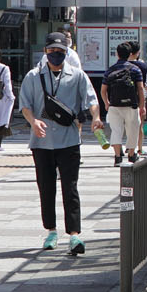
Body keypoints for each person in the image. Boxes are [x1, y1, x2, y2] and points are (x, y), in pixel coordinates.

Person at [20, 31, 102, 255]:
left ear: (67, 52)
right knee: (46, 188)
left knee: (70, 187)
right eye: (51, 51)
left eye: (60, 51)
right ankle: (51, 231)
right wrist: (33, 121)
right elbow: (24, 104)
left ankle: (74, 235)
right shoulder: (33, 76)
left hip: (68, 140)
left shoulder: (77, 75)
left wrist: (96, 117)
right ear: (45, 52)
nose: (56, 55)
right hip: (41, 142)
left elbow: (91, 100)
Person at [100, 42, 146, 167]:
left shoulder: (110, 70)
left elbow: (103, 90)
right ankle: (132, 154)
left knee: (116, 130)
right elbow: (140, 89)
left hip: (114, 105)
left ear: (117, 54)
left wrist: (107, 103)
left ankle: (118, 157)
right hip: (132, 105)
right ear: (130, 54)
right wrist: (142, 106)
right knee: (133, 129)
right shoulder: (135, 70)